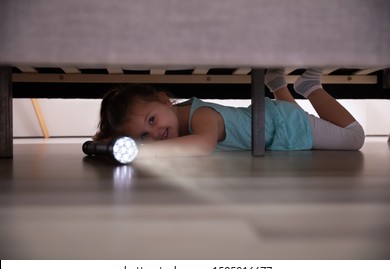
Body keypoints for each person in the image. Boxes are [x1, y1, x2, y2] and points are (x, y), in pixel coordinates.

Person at [93, 68, 365, 158]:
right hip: (272, 120)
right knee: (292, 113)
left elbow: (202, 145)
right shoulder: (181, 125)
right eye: (143, 135)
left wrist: (142, 150)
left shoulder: (200, 116)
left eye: (151, 121)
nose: (154, 133)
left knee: (355, 138)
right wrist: (108, 145)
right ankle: (277, 84)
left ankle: (311, 85)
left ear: (165, 101)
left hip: (283, 124)